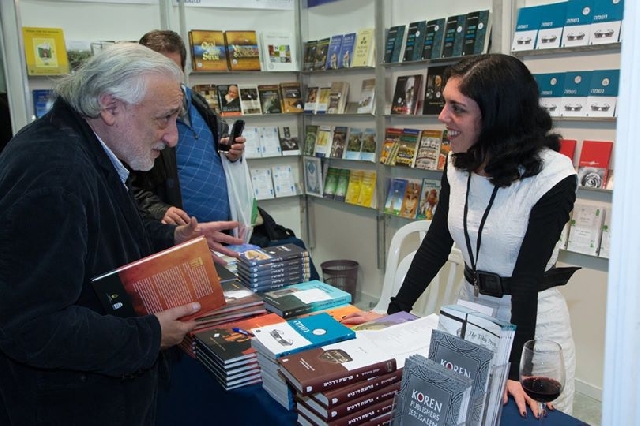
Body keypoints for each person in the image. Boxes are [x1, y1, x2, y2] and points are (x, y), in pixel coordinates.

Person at [0, 43, 242, 425]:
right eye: (163, 119)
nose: (172, 138)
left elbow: (102, 232)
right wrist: (148, 336)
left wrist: (171, 240)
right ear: (111, 107)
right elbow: (30, 326)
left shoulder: (80, 146)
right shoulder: (55, 174)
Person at [343, 54, 579, 418]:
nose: (443, 117)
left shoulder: (552, 177)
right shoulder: (459, 162)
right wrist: (390, 314)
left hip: (533, 333)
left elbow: (527, 278)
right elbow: (436, 245)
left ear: (497, 116)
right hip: (470, 317)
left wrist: (514, 371)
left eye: (458, 108)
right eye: (444, 104)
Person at [131, 30, 245, 227]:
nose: (166, 80)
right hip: (177, 240)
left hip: (224, 234)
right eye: (158, 71)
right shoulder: (133, 117)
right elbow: (125, 185)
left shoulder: (198, 103)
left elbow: (220, 147)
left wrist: (231, 152)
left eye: (173, 72)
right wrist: (159, 210)